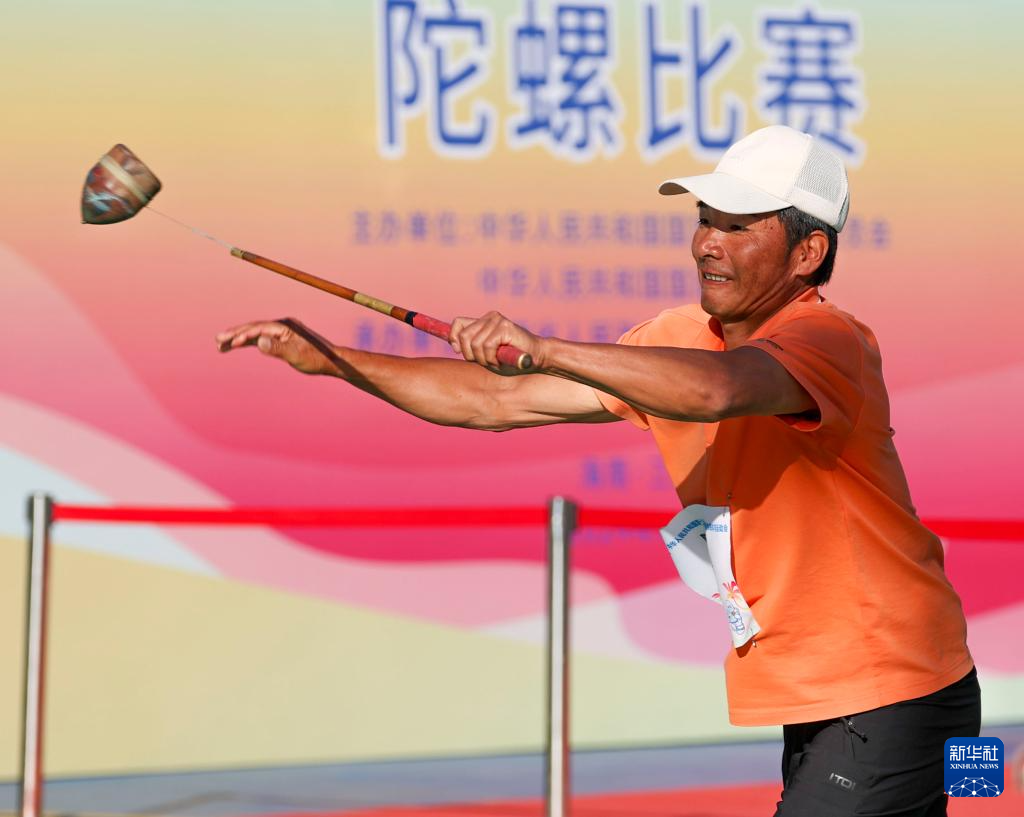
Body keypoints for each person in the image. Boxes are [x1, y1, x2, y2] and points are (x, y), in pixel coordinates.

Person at [216, 125, 978, 816]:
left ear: (807, 253)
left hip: (896, 688)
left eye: (737, 226)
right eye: (705, 219)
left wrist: (546, 347)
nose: (707, 243)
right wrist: (332, 360)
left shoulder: (828, 337)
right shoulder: (679, 335)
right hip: (840, 695)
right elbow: (490, 399)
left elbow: (717, 390)